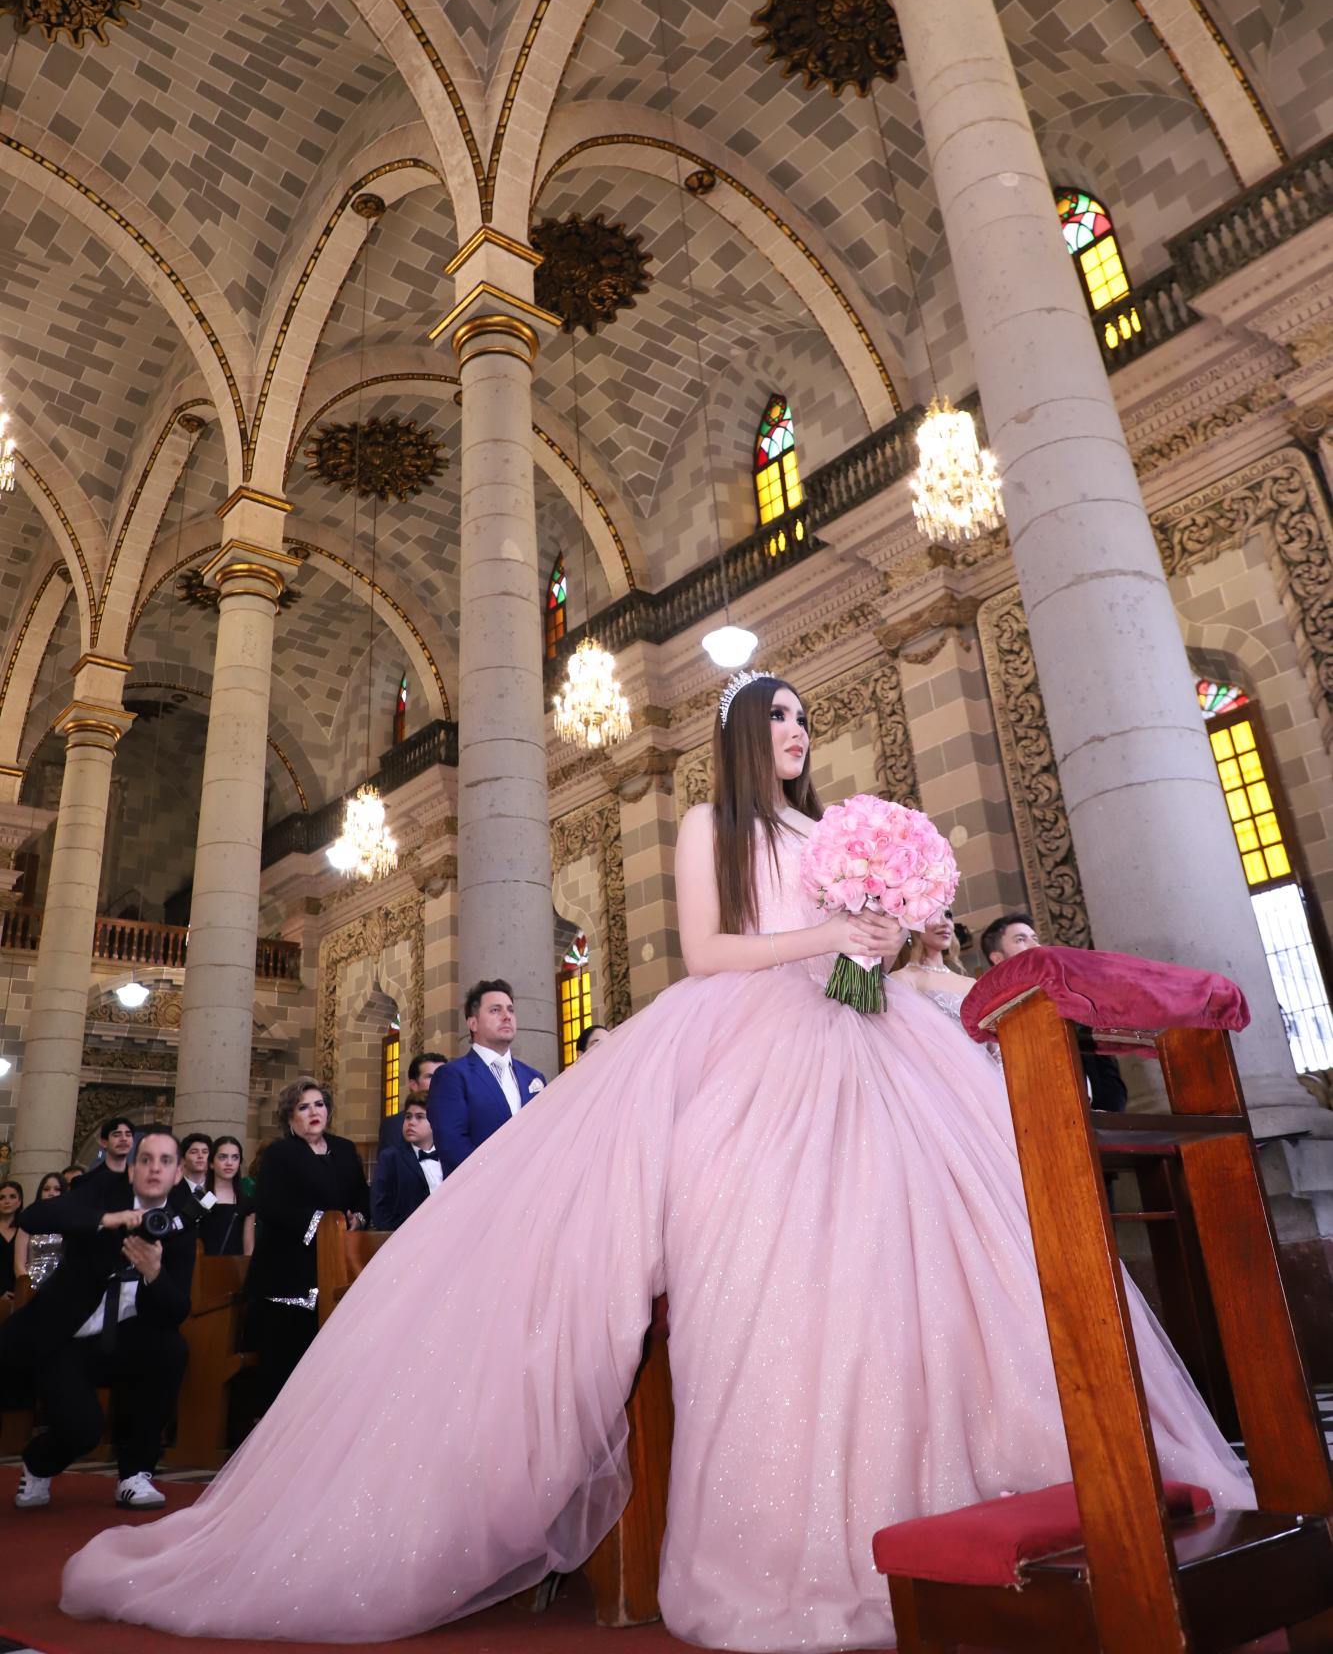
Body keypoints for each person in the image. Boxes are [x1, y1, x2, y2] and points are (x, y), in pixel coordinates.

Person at [61, 671, 1252, 1648]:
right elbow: (711, 947)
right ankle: (790, 1541)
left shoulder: (836, 829)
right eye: (775, 715)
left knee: (939, 1256)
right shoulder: (709, 824)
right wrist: (830, 931)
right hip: (755, 1040)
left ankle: (998, 1477)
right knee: (778, 1267)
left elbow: (868, 964)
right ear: (740, 734)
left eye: (801, 716)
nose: (794, 731)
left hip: (869, 1039)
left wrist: (895, 940)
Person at [3, 1127, 194, 1510]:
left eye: (166, 1161)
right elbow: (38, 1217)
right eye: (146, 1159)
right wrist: (107, 1219)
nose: (155, 1169)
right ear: (131, 1169)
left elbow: (177, 1310)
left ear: (177, 1174)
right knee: (83, 1429)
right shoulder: (102, 1193)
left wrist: (155, 1274)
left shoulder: (176, 1226)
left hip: (123, 1342)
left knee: (171, 1349)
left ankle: (135, 1474)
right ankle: (38, 1464)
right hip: (65, 1339)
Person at [243, 1080, 369, 1414]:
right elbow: (270, 1204)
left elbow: (360, 1195)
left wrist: (356, 1217)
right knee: (285, 1360)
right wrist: (321, 1225)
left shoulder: (343, 1149)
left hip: (336, 1266)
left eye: (319, 1104)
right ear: (289, 1118)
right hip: (286, 1271)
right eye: (303, 1107)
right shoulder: (280, 1154)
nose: (314, 1112)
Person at [982, 911, 1129, 1112]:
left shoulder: (1068, 993)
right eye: (1020, 940)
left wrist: (1111, 1112)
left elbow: (1102, 1061)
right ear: (998, 958)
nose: (1035, 946)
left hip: (1103, 1117)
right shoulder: (996, 1013)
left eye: (1035, 938)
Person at [427, 982, 545, 1175]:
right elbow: (452, 1145)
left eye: (510, 1010)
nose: (507, 1016)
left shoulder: (533, 1077)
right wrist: (499, 1179)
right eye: (495, 1010)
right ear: (472, 1023)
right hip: (478, 1192)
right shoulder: (452, 1076)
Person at [370, 1098, 442, 1231]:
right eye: (408, 1117)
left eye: (420, 1117)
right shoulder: (391, 1158)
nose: (411, 1122)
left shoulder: (448, 1156)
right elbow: (379, 1210)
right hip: (406, 1237)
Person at [376, 1050, 449, 1153]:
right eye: (431, 1077)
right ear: (413, 1084)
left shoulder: (461, 1118)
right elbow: (391, 1165)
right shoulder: (395, 1125)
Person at [201, 1136, 255, 1258]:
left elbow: (248, 1249)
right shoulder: (201, 1198)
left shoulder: (246, 1202)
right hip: (201, 1271)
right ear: (211, 1163)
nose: (229, 1163)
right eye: (223, 1157)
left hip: (234, 1271)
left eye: (235, 1157)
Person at [16, 1172, 67, 1289]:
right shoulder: (28, 1221)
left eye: (57, 1189)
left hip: (63, 1285)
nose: (51, 1193)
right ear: (40, 1193)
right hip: (31, 1285)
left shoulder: (71, 1222)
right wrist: (27, 1286)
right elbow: (18, 1264)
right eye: (46, 1189)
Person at [78, 1117, 135, 1181]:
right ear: (104, 1143)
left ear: (132, 1142)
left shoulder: (138, 1181)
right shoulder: (87, 1180)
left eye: (128, 1135)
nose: (124, 1139)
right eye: (116, 1135)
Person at [0, 1179, 21, 1302]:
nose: (7, 1201)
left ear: (19, 1201)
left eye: (12, 1197)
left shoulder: (25, 1230)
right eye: (1, 1198)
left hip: (20, 1294)